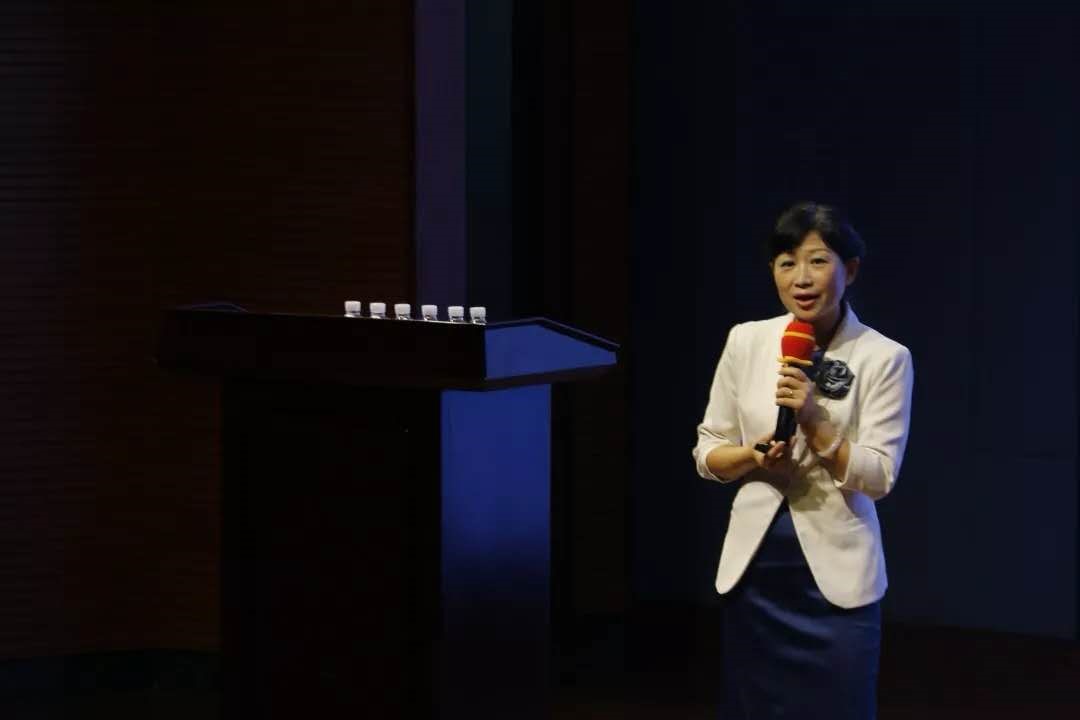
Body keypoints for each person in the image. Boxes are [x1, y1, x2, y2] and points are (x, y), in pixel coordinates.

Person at [692, 202, 914, 719]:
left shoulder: (884, 357)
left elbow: (880, 476)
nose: (801, 278)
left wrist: (816, 423)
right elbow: (708, 450)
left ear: (849, 270)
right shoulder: (747, 340)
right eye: (787, 262)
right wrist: (751, 456)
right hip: (757, 572)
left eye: (818, 261)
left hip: (837, 577)